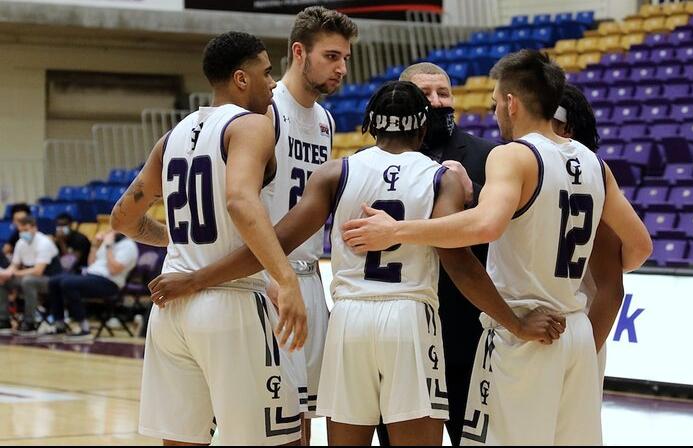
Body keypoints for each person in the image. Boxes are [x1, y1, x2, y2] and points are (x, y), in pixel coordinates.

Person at [147, 80, 561, 446]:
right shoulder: (442, 178)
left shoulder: (335, 174)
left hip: (349, 322)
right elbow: (461, 264)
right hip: (409, 319)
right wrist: (517, 323)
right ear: (421, 127)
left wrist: (198, 278)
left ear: (371, 125)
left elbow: (272, 243)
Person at [340, 50, 653, 445]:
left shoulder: (513, 155)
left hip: (524, 330)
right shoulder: (594, 164)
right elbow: (640, 247)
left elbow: (485, 226)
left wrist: (397, 230)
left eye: (494, 103)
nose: (494, 114)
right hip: (574, 329)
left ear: (511, 102)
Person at [110, 31, 307, 446]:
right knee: (279, 439)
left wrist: (180, 241)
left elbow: (123, 219)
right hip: (231, 304)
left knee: (183, 440)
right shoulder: (251, 125)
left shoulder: (173, 136)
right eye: (267, 73)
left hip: (171, 309)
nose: (273, 83)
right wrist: (286, 279)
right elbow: (239, 200)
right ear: (241, 79)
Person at [376, 62, 494, 447]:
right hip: (397, 338)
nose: (437, 101)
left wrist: (472, 191)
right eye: (426, 94)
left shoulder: (488, 155)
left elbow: (504, 226)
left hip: (464, 334)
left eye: (444, 93)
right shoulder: (372, 163)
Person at [260, 6, 357, 440]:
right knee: (271, 417)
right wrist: (269, 275)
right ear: (299, 52)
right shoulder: (267, 110)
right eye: (331, 57)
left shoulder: (325, 121)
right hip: (268, 276)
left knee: (306, 417)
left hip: (310, 275)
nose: (341, 69)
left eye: (344, 59)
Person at [553, 83, 625, 392]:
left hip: (577, 330)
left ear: (565, 127)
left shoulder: (590, 180)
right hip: (540, 333)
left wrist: (586, 351)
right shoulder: (531, 171)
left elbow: (614, 284)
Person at [41, 230, 138, 341]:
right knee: (54, 281)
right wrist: (95, 246)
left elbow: (114, 270)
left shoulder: (129, 246)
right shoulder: (108, 242)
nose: (111, 230)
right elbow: (91, 264)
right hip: (91, 276)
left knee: (68, 284)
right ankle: (59, 325)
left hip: (109, 282)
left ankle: (84, 329)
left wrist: (108, 246)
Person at [0, 216, 61, 335]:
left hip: (51, 280)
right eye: (21, 230)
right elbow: (14, 265)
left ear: (34, 228)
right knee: (3, 281)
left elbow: (38, 271)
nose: (23, 233)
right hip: (28, 277)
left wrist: (15, 273)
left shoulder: (44, 242)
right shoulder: (20, 243)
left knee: (28, 281)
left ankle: (30, 322)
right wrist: (6, 274)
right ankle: (4, 319)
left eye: (26, 230)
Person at [1, 203, 32, 269]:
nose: (21, 223)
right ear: (13, 221)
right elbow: (5, 251)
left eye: (23, 220)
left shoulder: (40, 233)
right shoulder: (16, 234)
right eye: (18, 220)